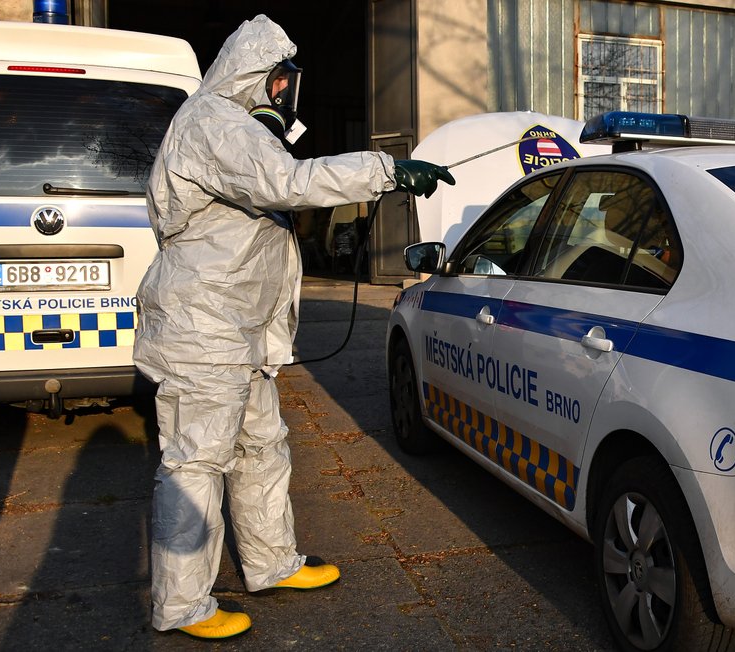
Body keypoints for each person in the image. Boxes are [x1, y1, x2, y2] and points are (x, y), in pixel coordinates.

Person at [133, 14, 454, 639]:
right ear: (257, 77)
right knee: (196, 463)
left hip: (239, 328)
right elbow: (289, 183)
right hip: (204, 328)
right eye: (281, 82)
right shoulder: (213, 122)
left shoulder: (236, 130)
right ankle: (181, 606)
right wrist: (387, 171)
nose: (287, 94)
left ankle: (271, 562)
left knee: (261, 445)